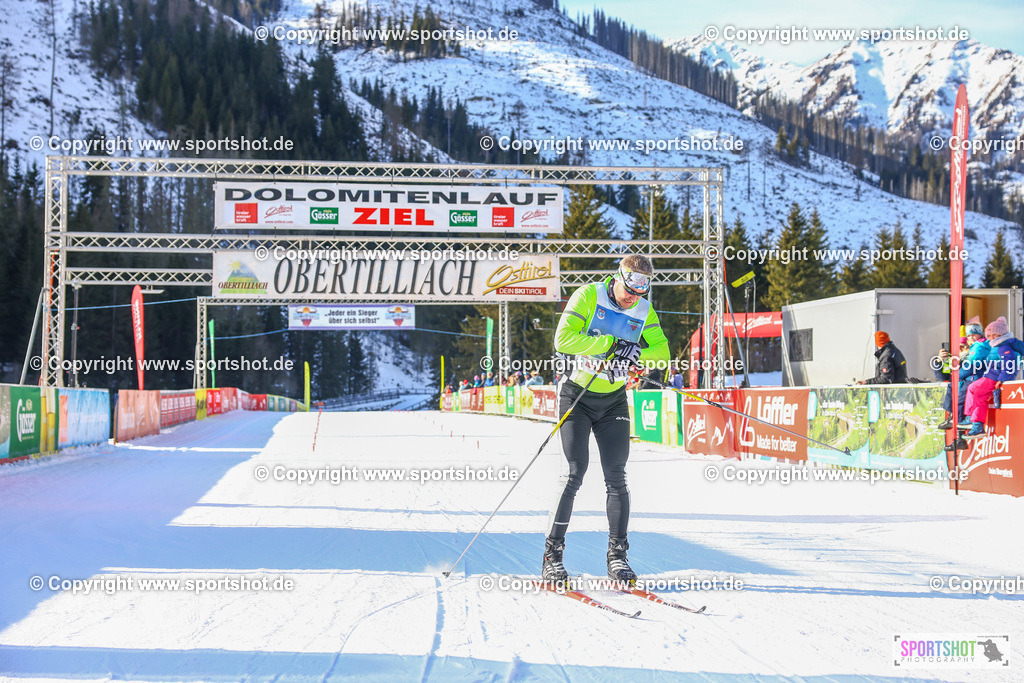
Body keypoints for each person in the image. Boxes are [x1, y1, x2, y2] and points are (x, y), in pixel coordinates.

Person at [542, 254, 669, 586]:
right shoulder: (588, 295)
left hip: (613, 399)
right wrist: (610, 344)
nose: (632, 298)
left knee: (616, 476)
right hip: (577, 395)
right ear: (618, 278)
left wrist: (636, 352)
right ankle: (552, 557)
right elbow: (563, 339)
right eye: (629, 290)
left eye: (639, 293)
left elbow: (664, 352)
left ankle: (617, 556)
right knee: (574, 472)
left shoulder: (643, 309)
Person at [961, 317, 1024, 439]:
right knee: (972, 388)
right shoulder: (996, 346)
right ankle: (969, 417)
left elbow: (1009, 364)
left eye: (992, 335)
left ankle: (978, 425)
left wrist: (1002, 379)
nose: (989, 338)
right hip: (989, 375)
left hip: (994, 378)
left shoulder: (1004, 347)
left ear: (999, 334)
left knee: (979, 394)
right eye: (988, 335)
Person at [938, 323, 986, 431]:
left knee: (962, 396)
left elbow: (971, 366)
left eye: (974, 334)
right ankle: (952, 419)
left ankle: (958, 425)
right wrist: (939, 362)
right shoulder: (966, 352)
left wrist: (957, 376)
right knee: (953, 387)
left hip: (974, 378)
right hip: (967, 378)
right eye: (969, 335)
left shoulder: (979, 347)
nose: (971, 337)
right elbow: (942, 375)